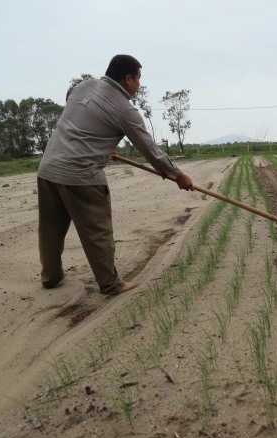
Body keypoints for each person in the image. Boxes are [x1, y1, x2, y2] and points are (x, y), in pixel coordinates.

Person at [37, 54, 193, 295]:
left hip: (48, 167)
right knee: (97, 230)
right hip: (81, 175)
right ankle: (110, 284)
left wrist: (98, 142)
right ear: (128, 78)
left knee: (50, 227)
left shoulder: (83, 86)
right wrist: (177, 175)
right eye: (138, 78)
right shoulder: (125, 110)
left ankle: (51, 277)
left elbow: (76, 106)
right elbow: (149, 148)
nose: (139, 84)